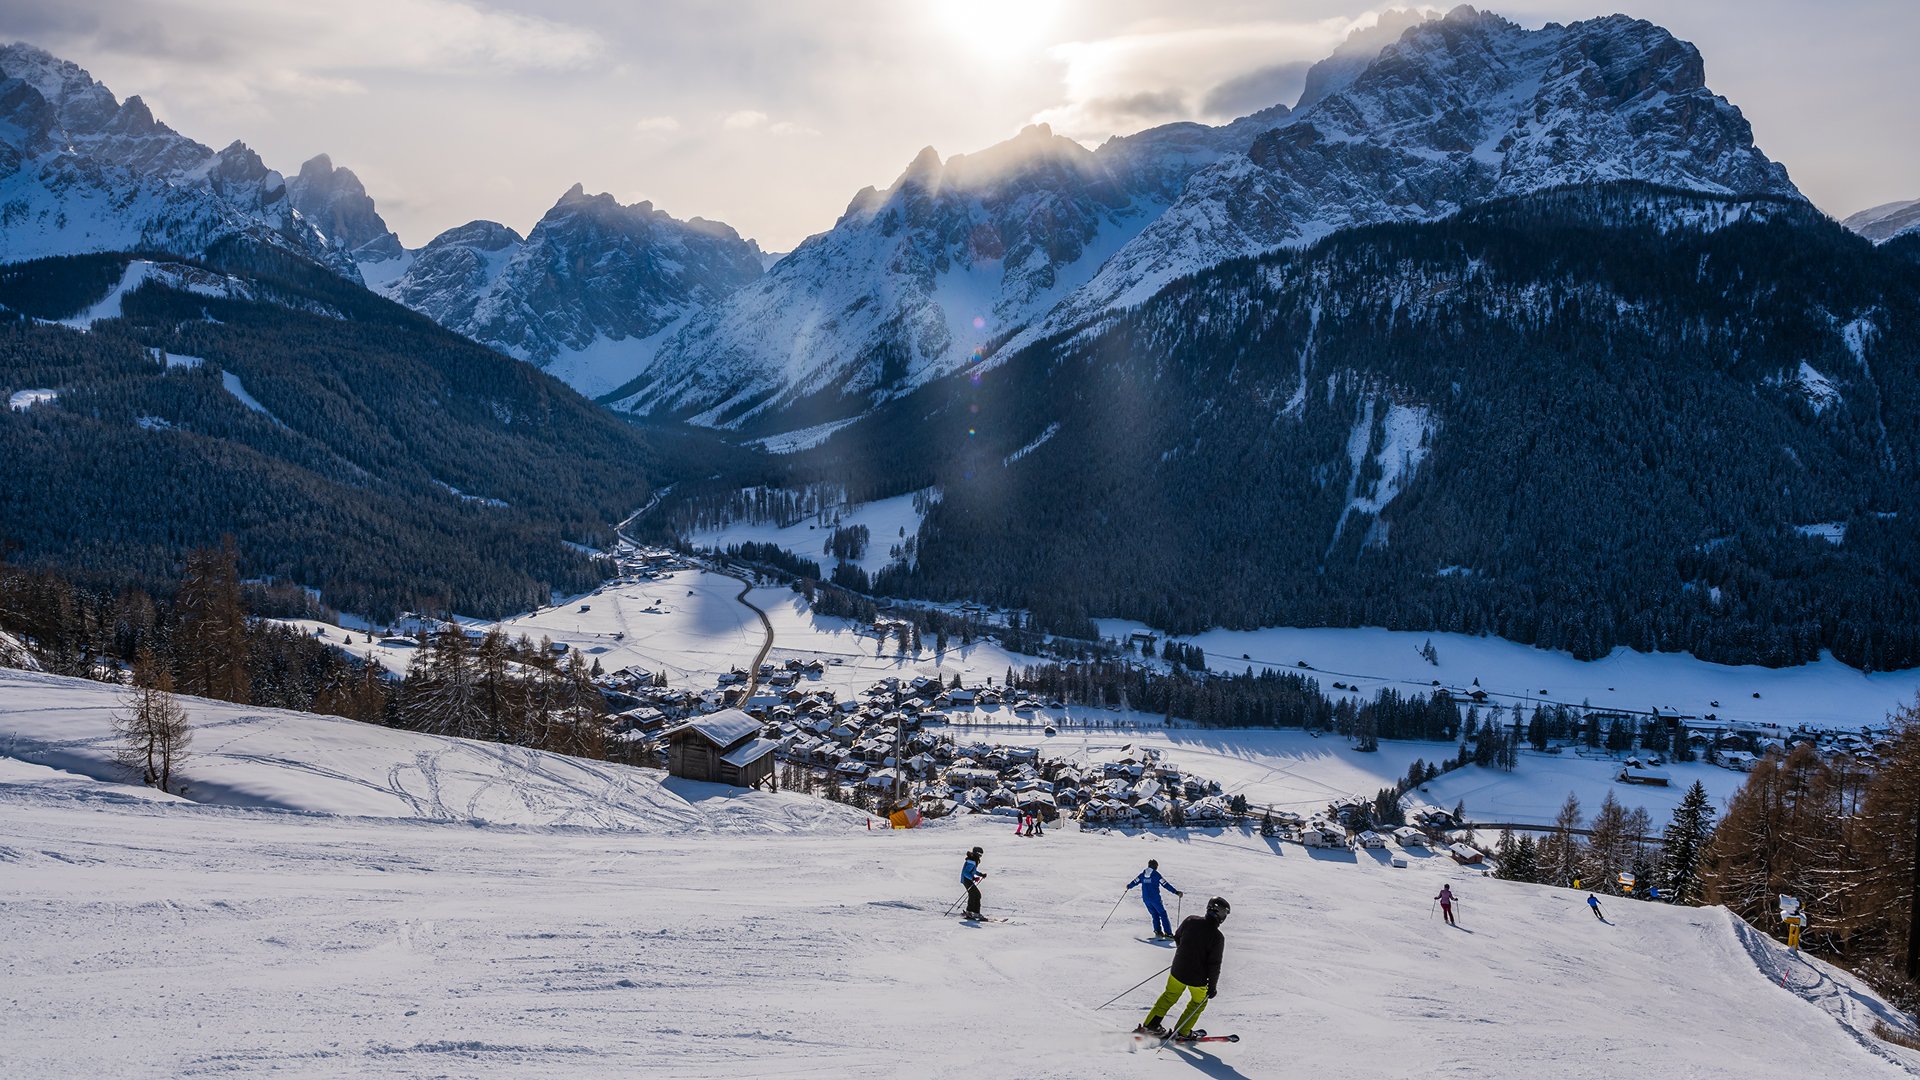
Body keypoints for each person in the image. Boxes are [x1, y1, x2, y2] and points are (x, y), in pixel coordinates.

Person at [1136, 896, 1229, 1042]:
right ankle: (1182, 1032)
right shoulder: (1217, 937)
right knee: (1198, 1002)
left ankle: (1150, 1026)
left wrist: (1184, 954)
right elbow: (1214, 964)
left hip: (1178, 970)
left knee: (1169, 996)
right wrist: (1212, 987)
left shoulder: (1191, 920)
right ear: (1220, 914)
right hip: (1198, 979)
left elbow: (1177, 936)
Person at [1127, 859, 1184, 938]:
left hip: (1146, 899)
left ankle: (1158, 931)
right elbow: (1165, 884)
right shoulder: (1156, 875)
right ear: (1155, 866)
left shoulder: (1142, 875)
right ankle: (1168, 933)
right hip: (1155, 899)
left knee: (1154, 914)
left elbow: (1134, 882)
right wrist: (1176, 892)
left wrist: (1129, 886)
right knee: (1163, 914)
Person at [960, 847, 987, 919]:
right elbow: (966, 873)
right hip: (967, 880)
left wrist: (981, 874)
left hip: (967, 880)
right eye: (980, 854)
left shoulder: (973, 860)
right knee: (977, 895)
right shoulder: (972, 861)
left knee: (973, 895)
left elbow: (973, 871)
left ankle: (969, 911)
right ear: (976, 853)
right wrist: (973, 878)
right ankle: (975, 913)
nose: (981, 856)